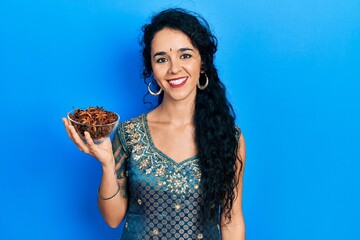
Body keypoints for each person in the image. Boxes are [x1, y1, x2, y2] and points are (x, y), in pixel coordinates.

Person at [63, 8, 246, 240]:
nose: (174, 68)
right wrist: (108, 165)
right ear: (152, 69)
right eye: (162, 59)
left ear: (203, 63)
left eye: (185, 55)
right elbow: (112, 219)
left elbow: (231, 220)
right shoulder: (129, 133)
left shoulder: (228, 137)